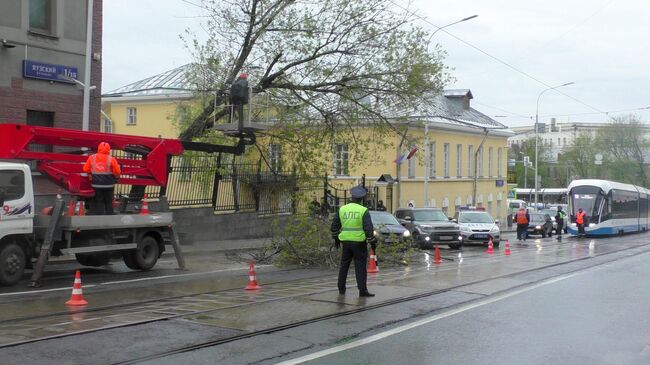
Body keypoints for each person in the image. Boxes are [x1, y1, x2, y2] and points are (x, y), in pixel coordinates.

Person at [331, 186, 376, 297]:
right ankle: (362, 290)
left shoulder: (342, 209)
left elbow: (334, 226)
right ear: (361, 198)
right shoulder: (363, 210)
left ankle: (341, 288)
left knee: (344, 265)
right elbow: (368, 228)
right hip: (359, 242)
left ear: (351, 197)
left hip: (345, 242)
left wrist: (336, 238)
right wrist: (372, 241)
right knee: (360, 266)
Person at [83, 142, 121, 215]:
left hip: (96, 184)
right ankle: (109, 215)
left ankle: (99, 215)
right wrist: (116, 177)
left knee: (99, 200)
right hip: (109, 185)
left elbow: (85, 169)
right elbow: (117, 171)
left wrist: (92, 171)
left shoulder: (92, 157)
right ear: (108, 150)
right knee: (109, 200)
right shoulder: (111, 159)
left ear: (98, 148)